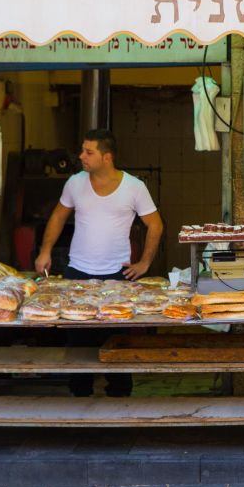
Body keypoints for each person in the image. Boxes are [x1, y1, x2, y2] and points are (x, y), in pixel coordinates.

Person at [35, 129, 164, 397]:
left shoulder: (134, 187)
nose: (81, 156)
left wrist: (144, 263)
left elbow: (155, 225)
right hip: (77, 272)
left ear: (107, 157)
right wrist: (44, 250)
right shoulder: (74, 183)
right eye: (82, 150)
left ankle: (119, 398)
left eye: (88, 152)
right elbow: (58, 217)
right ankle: (80, 397)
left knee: (116, 342)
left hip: (117, 274)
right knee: (77, 341)